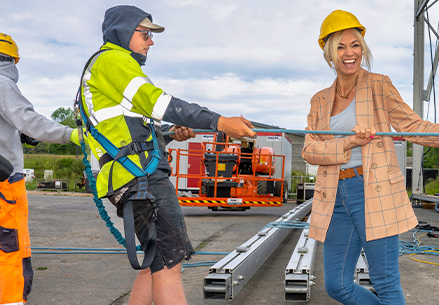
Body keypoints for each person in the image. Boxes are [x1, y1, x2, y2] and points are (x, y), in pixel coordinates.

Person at [303, 10, 439, 304]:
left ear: (363, 48)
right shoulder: (319, 100)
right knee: (336, 285)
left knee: (386, 284)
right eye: (340, 46)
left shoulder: (379, 85)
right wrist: (350, 141)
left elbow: (414, 127)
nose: (350, 53)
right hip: (334, 196)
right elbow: (309, 151)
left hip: (373, 192)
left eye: (355, 45)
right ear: (329, 53)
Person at [79, 6, 256, 304]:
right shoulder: (113, 61)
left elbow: (129, 133)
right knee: (170, 261)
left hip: (131, 177)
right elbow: (158, 103)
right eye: (145, 33)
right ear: (123, 32)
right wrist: (220, 122)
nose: (151, 41)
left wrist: (173, 135)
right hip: (141, 180)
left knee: (154, 263)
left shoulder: (110, 68)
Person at [0, 32, 81, 304]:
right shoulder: (2, 83)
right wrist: (70, 134)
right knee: (9, 246)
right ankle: (11, 300)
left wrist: (16, 134)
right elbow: (29, 119)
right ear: (12, 60)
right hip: (5, 182)